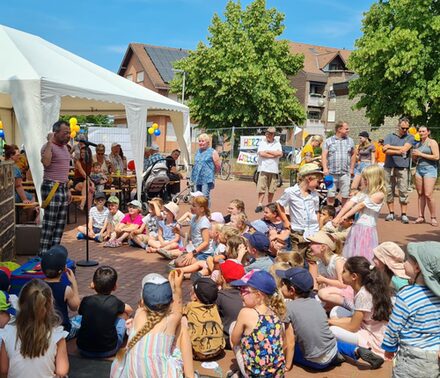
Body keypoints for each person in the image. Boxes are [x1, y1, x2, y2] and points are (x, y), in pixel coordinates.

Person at [277, 267, 384, 370]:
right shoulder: (316, 303)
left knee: (293, 348)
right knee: (333, 343)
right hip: (331, 351)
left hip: (317, 363)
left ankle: (333, 357)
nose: (281, 287)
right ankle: (355, 350)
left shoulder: (288, 308)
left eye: (283, 284)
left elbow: (290, 342)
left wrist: (287, 365)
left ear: (291, 290)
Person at [381, 242, 440, 377]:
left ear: (418, 267)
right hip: (435, 357)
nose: (404, 263)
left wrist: (389, 347)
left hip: (412, 358)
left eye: (407, 260)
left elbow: (394, 326)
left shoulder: (406, 295)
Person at [0, 279, 69, 378]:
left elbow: (3, 370)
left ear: (20, 304)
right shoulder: (57, 335)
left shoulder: (7, 332)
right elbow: (61, 372)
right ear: (50, 305)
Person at [329, 256, 392, 359]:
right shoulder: (363, 288)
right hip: (366, 325)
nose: (341, 273)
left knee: (332, 330)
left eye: (344, 271)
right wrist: (333, 321)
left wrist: (330, 322)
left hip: (374, 338)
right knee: (335, 311)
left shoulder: (363, 294)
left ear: (354, 276)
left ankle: (363, 349)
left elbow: (352, 326)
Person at [230, 269, 287, 377]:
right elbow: (284, 344)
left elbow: (234, 341)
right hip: (277, 374)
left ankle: (242, 372)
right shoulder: (276, 313)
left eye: (244, 290)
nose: (241, 294)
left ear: (259, 295)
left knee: (233, 327)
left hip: (255, 375)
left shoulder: (245, 313)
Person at [333, 164, 386, 261]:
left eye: (366, 179)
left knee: (363, 256)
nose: (364, 181)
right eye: (364, 178)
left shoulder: (379, 194)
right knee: (351, 254)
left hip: (367, 229)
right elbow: (350, 203)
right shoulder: (364, 192)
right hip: (357, 227)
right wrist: (338, 216)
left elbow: (360, 205)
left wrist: (345, 217)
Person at [76, 266, 133, 358]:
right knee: (123, 314)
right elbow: (129, 309)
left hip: (83, 349)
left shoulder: (86, 300)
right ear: (114, 287)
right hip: (109, 350)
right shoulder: (114, 301)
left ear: (93, 284)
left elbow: (80, 311)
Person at [40, 120, 72, 255]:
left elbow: (64, 170)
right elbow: (46, 163)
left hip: (63, 187)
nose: (69, 135)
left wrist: (68, 189)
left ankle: (53, 255)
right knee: (49, 224)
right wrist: (48, 142)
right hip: (51, 186)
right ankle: (43, 255)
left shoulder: (65, 147)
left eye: (69, 133)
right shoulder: (48, 146)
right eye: (66, 133)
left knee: (60, 225)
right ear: (56, 133)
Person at [277, 163, 322, 257]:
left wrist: (318, 226)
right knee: (297, 258)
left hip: (313, 231)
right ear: (309, 179)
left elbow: (316, 211)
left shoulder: (314, 195)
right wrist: (285, 221)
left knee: (313, 259)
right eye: (318, 182)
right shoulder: (291, 192)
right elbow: (280, 204)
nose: (318, 185)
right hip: (298, 231)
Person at [41, 245, 80, 340]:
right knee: (81, 319)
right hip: (62, 331)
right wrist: (74, 283)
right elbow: (75, 307)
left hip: (42, 330)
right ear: (64, 269)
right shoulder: (65, 289)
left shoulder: (36, 286)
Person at [382, 117, 415, 224]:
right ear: (398, 126)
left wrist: (390, 147)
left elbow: (404, 149)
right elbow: (385, 151)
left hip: (403, 167)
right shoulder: (389, 136)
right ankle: (391, 213)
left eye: (407, 128)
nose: (405, 130)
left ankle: (404, 214)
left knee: (403, 190)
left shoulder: (410, 137)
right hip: (389, 167)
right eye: (403, 128)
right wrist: (399, 150)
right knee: (388, 189)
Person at [183, 277, 225, 360]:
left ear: (195, 296)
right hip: (218, 351)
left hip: (198, 353)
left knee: (182, 320)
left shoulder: (190, 306)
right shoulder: (214, 307)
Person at [321, 121, 356, 206]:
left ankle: (342, 216)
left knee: (345, 195)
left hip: (345, 173)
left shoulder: (350, 141)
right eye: (346, 129)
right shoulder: (328, 141)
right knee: (330, 195)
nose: (348, 130)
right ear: (339, 129)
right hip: (330, 174)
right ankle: (330, 215)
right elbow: (324, 155)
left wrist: (351, 169)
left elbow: (354, 154)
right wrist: (325, 168)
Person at [412, 126, 439, 226]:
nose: (421, 133)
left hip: (430, 170)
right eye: (419, 131)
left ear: (428, 132)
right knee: (420, 193)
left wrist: (421, 154)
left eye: (423, 131)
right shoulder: (417, 144)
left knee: (428, 194)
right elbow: (415, 160)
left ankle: (433, 217)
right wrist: (414, 156)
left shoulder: (432, 142)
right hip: (419, 169)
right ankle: (421, 216)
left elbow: (436, 156)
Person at [216, 260, 245, 349]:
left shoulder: (219, 296)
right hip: (244, 339)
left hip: (228, 340)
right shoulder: (246, 295)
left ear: (223, 278)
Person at [255, 127, 283, 213]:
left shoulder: (277, 143)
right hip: (263, 168)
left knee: (272, 189)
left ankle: (269, 204)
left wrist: (268, 151)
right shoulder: (262, 143)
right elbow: (261, 153)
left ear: (273, 135)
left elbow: (280, 153)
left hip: (274, 169)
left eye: (270, 134)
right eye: (267, 133)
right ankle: (259, 204)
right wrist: (273, 154)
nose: (268, 135)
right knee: (261, 188)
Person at [191, 133, 221, 204]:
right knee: (196, 197)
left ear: (207, 142)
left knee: (204, 197)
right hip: (197, 177)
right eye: (200, 141)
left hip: (207, 178)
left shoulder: (212, 152)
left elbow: (218, 165)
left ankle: (206, 213)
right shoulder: (198, 151)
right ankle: (198, 213)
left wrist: (213, 173)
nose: (201, 143)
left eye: (203, 141)